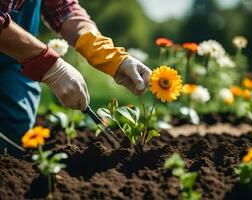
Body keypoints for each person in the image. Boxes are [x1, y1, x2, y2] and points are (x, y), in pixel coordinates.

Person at [0, 0, 151, 154]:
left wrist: (111, 56)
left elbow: (63, 9)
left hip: (18, 57)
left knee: (13, 133)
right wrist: (51, 67)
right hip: (22, 48)